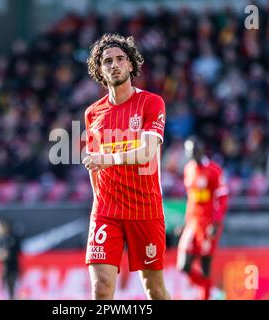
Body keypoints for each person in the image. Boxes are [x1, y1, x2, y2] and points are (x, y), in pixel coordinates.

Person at [82, 33, 170, 300]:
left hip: (144, 208)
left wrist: (106, 159)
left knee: (154, 289)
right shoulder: (92, 113)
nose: (115, 65)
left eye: (121, 59)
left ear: (131, 64)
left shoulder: (151, 103)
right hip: (107, 211)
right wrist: (99, 203)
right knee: (101, 288)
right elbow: (93, 167)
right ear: (100, 70)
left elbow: (146, 153)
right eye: (107, 61)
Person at [176, 137, 229, 300]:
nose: (191, 154)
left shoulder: (214, 170)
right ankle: (211, 291)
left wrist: (216, 222)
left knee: (205, 266)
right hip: (192, 223)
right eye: (188, 151)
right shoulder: (188, 169)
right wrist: (185, 223)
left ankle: (206, 295)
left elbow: (222, 198)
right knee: (183, 265)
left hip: (208, 224)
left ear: (200, 150)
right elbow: (190, 199)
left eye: (193, 151)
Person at [0, 218, 21, 300]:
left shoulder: (11, 239)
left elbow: (14, 252)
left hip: (11, 269)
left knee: (11, 288)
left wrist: (5, 254)